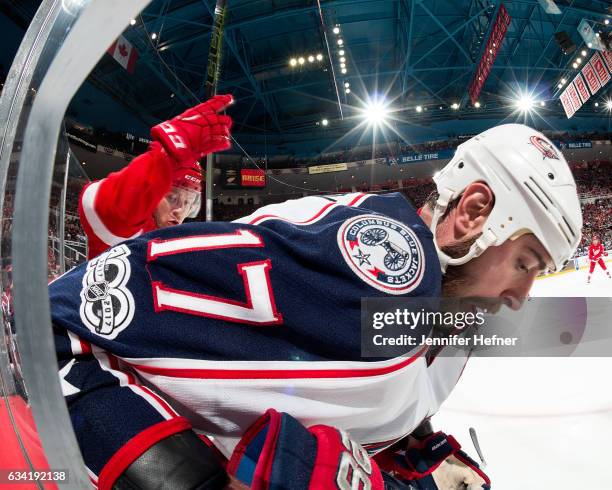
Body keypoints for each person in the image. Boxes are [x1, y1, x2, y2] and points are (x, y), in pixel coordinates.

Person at [50, 124, 581, 489]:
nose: (522, 296)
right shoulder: (392, 271)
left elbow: (357, 395)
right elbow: (63, 322)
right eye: (525, 263)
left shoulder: (445, 317)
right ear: (473, 212)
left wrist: (417, 455)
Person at [79, 95, 233, 259]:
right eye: (172, 197)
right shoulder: (129, 230)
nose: (180, 211)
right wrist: (163, 159)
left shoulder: (175, 247)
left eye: (188, 202)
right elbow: (107, 208)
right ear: (154, 193)